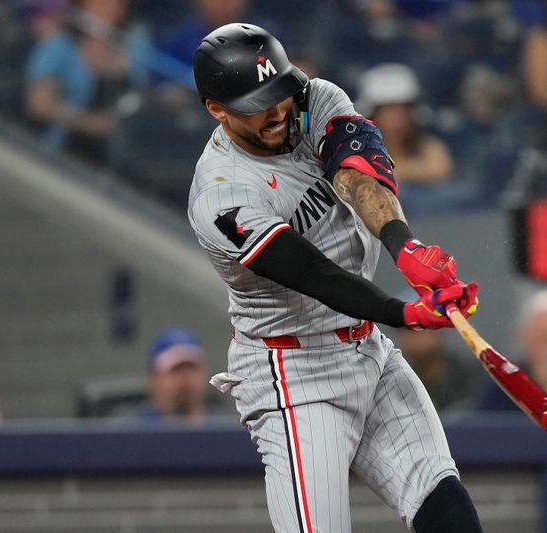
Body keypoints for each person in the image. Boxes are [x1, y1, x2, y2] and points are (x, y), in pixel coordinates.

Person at [188, 23, 483, 533]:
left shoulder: (313, 97)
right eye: (258, 102)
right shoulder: (221, 194)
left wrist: (405, 248)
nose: (278, 109)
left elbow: (356, 173)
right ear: (217, 108)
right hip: (293, 369)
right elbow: (309, 271)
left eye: (278, 89)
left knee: (441, 495)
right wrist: (402, 312)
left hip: (367, 347)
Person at [24, 0, 153, 164]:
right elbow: (39, 105)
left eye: (115, 3)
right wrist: (91, 123)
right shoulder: (59, 45)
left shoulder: (134, 46)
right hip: (63, 153)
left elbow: (140, 96)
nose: (108, 8)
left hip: (115, 159)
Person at [356, 63, 455, 186]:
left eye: (402, 111)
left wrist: (396, 171)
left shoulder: (427, 145)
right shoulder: (356, 150)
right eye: (388, 111)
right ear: (372, 115)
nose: (396, 118)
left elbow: (440, 168)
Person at [396, 328, 480, 412]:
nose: (411, 341)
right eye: (405, 334)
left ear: (438, 334)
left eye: (417, 332)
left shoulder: (469, 378)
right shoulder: (399, 382)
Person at [142, 326, 209, 423]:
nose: (185, 377)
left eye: (191, 368)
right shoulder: (130, 433)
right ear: (153, 378)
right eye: (175, 370)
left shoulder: (228, 430)